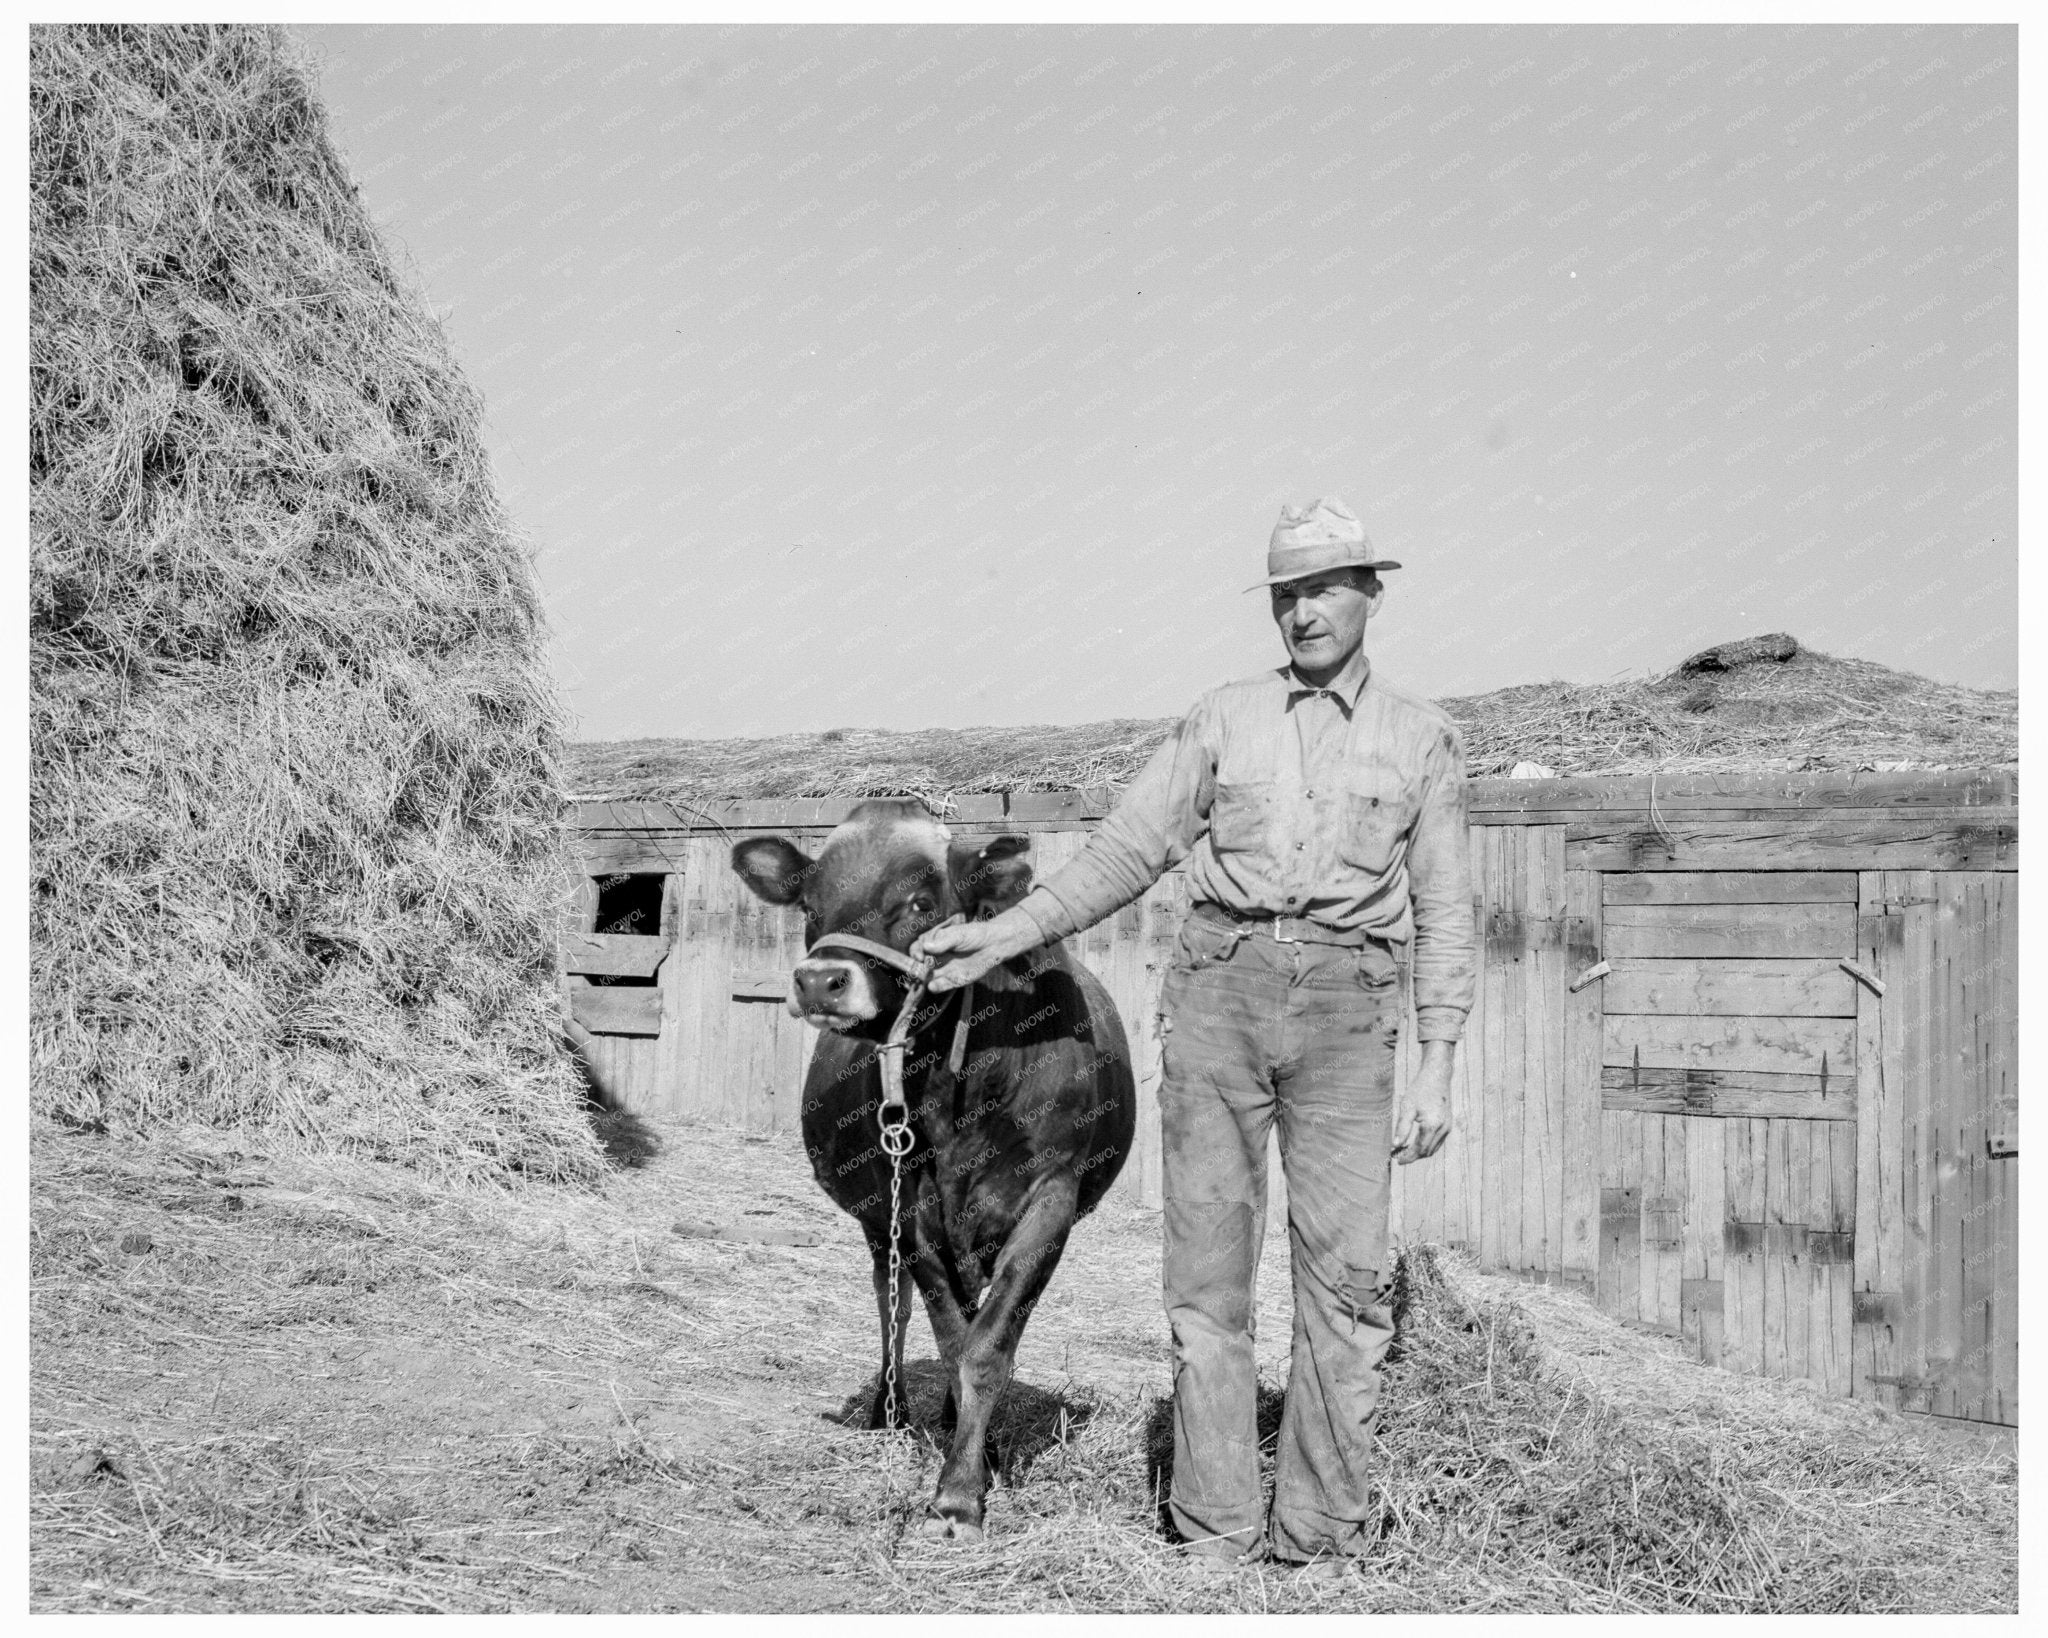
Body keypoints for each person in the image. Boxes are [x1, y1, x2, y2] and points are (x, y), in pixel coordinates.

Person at [913, 496, 1476, 1576]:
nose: (1300, 611)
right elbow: (1126, 850)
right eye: (1283, 593)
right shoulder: (1220, 718)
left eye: (1321, 588)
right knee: (1206, 1282)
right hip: (1218, 991)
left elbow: (1446, 908)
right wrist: (999, 937)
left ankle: (1319, 1537)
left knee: (1346, 1284)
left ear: (1370, 593)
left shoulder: (1422, 738)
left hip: (1352, 1014)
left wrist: (1438, 1060)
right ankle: (1214, 1530)